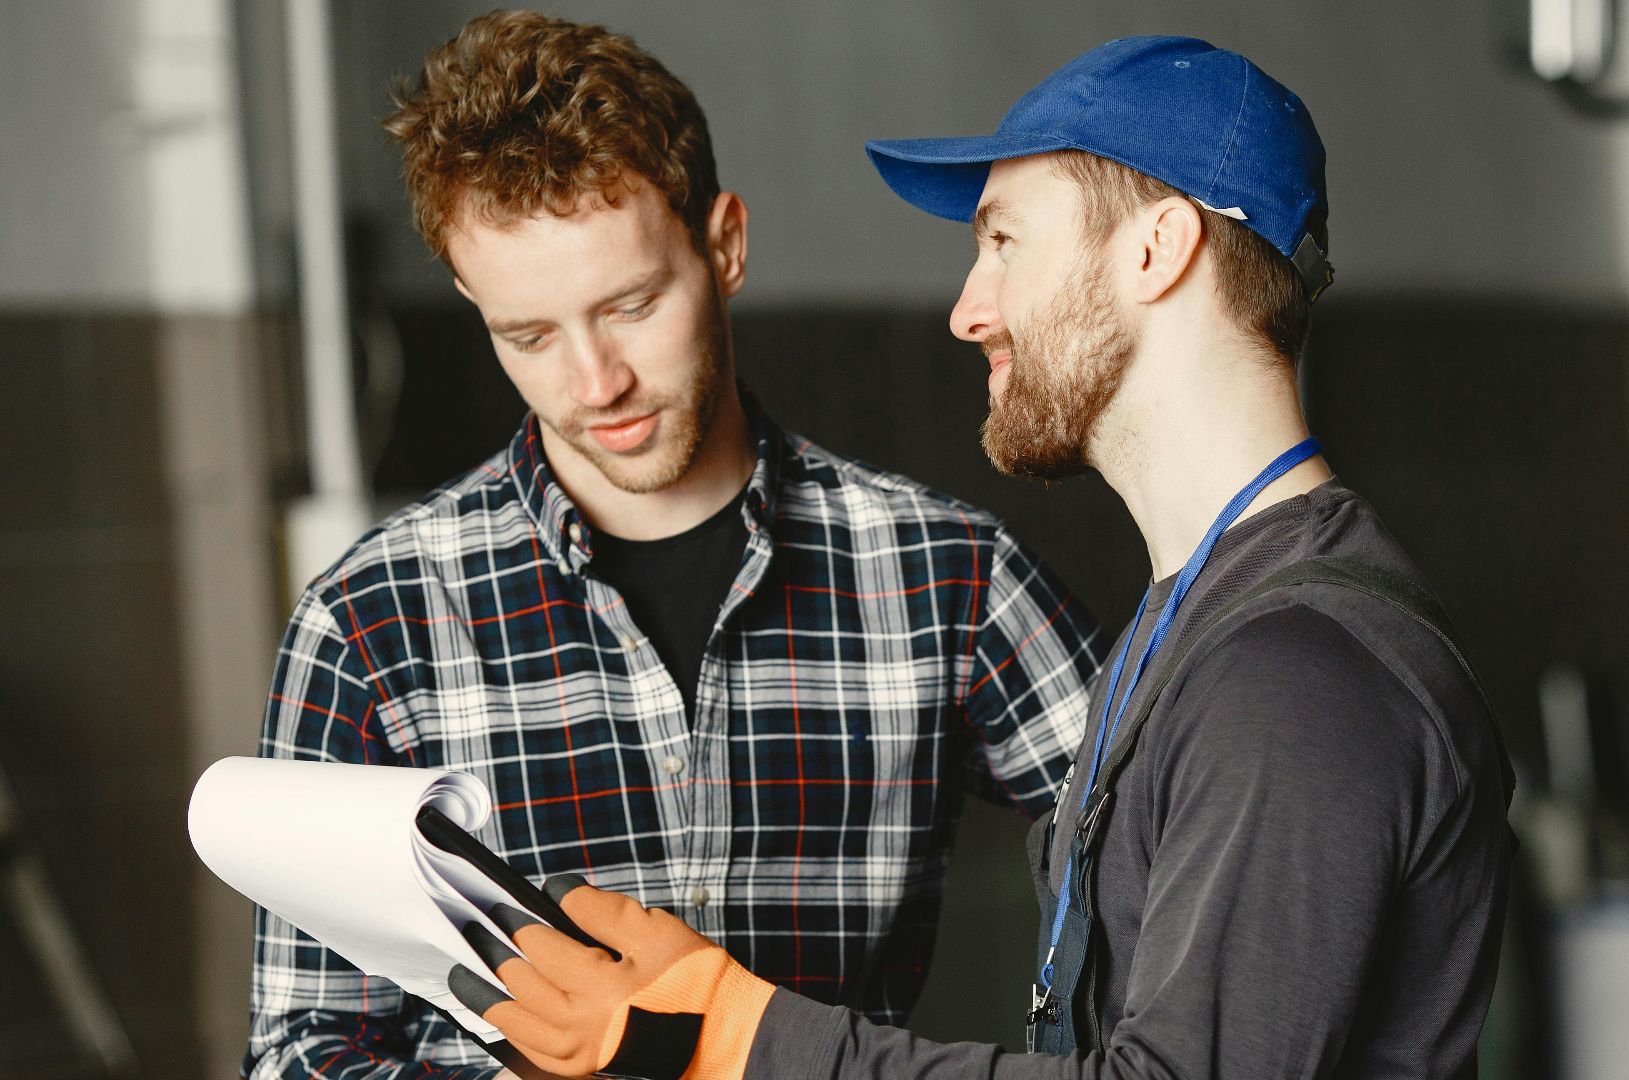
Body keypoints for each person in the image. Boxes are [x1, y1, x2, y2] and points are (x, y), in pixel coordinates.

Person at [450, 34, 1516, 1080]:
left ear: (1158, 248)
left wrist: (739, 1033)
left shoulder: (1295, 679)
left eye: (1003, 241)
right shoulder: (1192, 627)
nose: (968, 311)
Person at [243, 12, 1109, 1080]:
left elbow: (1171, 851)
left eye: (632, 305)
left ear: (725, 245)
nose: (593, 381)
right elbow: (300, 1052)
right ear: (474, 304)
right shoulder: (369, 625)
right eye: (530, 335)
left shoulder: (945, 575)